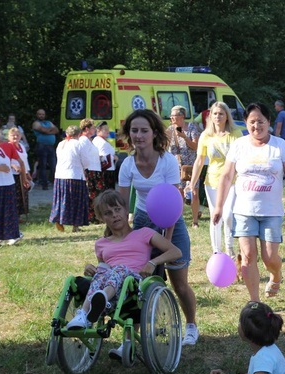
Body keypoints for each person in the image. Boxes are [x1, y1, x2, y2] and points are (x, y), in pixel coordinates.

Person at [117, 109, 201, 346]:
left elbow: (171, 205)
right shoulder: (127, 165)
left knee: (179, 283)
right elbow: (123, 205)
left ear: (154, 133)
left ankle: (192, 325)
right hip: (143, 222)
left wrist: (167, 244)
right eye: (134, 130)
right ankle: (132, 336)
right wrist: (123, 239)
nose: (139, 136)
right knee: (138, 283)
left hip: (172, 222)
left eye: (144, 130)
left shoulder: (166, 162)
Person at [213, 102, 285, 301]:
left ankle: (275, 274)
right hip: (244, 211)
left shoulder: (279, 145)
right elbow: (226, 176)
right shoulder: (239, 145)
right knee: (247, 257)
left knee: (270, 258)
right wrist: (219, 206)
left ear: (269, 122)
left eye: (261, 121)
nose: (256, 126)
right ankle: (254, 302)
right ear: (246, 124)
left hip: (272, 212)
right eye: (252, 122)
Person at [65, 190, 182, 330]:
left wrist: (152, 262)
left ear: (126, 211)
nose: (114, 215)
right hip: (111, 285)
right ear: (102, 218)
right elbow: (104, 270)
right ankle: (84, 314)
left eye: (117, 209)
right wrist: (91, 268)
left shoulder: (144, 233)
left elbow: (176, 252)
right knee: (102, 268)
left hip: (134, 284)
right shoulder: (101, 243)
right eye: (108, 213)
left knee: (120, 269)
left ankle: (101, 300)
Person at [188, 101, 243, 256]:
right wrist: (192, 183)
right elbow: (199, 160)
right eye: (215, 113)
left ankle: (230, 248)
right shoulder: (206, 135)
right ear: (210, 116)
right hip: (212, 182)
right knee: (215, 217)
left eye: (221, 113)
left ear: (227, 116)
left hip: (232, 181)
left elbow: (242, 158)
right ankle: (217, 252)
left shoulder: (236, 134)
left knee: (228, 215)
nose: (218, 116)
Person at [49, 126, 90, 233]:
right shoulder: (78, 144)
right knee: (76, 201)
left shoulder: (61, 144)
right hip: (74, 175)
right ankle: (75, 226)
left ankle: (59, 219)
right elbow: (86, 161)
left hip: (60, 175)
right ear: (79, 134)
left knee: (61, 199)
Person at [168, 105, 201, 227]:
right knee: (179, 193)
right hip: (177, 166)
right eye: (171, 115)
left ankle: (195, 221)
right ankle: (179, 220)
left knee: (194, 193)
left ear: (181, 116)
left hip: (192, 165)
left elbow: (195, 147)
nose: (171, 117)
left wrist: (185, 137)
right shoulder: (170, 129)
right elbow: (164, 145)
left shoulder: (192, 127)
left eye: (174, 115)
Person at [0, 127, 31, 221]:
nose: (15, 137)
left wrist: (27, 172)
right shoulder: (7, 146)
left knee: (23, 194)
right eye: (13, 135)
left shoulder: (21, 146)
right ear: (9, 136)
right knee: (14, 195)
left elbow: (24, 160)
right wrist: (13, 166)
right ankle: (12, 215)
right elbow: (4, 159)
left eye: (17, 135)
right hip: (12, 174)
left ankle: (20, 215)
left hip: (22, 173)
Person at [79, 119, 103, 223]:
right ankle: (91, 217)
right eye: (93, 128)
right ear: (87, 129)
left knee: (95, 194)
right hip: (90, 170)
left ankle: (95, 216)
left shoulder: (89, 140)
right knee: (91, 194)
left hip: (94, 169)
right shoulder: (83, 140)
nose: (95, 130)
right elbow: (83, 156)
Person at [32, 109, 59, 190]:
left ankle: (55, 183)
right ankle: (44, 184)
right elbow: (43, 130)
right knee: (43, 165)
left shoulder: (48, 122)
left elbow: (56, 130)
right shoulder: (36, 123)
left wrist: (47, 131)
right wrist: (51, 130)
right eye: (39, 114)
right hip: (42, 146)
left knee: (53, 165)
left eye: (43, 114)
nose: (41, 116)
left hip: (51, 146)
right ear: (37, 115)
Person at [93, 121, 117, 191]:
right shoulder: (100, 142)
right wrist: (113, 158)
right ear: (98, 130)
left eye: (108, 129)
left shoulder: (102, 140)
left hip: (109, 170)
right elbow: (101, 158)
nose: (108, 131)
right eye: (105, 129)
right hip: (105, 172)